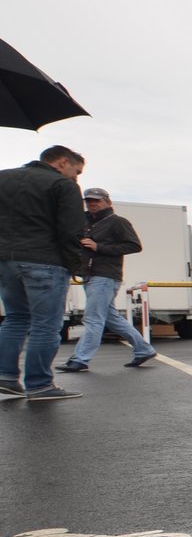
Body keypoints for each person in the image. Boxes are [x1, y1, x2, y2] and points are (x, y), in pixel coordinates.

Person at [0, 146, 86, 401]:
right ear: (62, 162)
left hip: (5, 261)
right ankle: (39, 384)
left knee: (15, 319)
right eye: (76, 171)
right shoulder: (63, 185)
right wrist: (76, 265)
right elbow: (71, 230)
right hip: (45, 261)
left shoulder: (3, 177)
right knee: (46, 325)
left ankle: (5, 376)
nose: (76, 177)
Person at [58, 186, 157, 372]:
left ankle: (80, 359)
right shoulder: (85, 222)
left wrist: (99, 247)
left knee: (93, 319)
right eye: (89, 201)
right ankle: (144, 349)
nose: (92, 204)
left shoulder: (118, 222)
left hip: (105, 276)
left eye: (97, 200)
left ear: (107, 202)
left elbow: (134, 245)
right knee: (111, 318)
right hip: (90, 275)